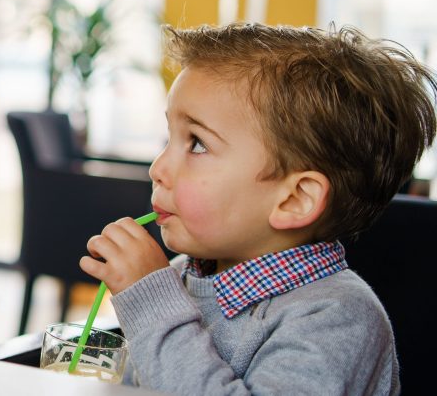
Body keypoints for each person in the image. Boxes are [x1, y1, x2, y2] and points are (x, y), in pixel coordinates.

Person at [80, 23, 437, 394]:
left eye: (198, 144)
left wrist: (153, 305)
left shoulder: (337, 319)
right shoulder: (181, 277)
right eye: (169, 138)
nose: (158, 169)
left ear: (295, 199)